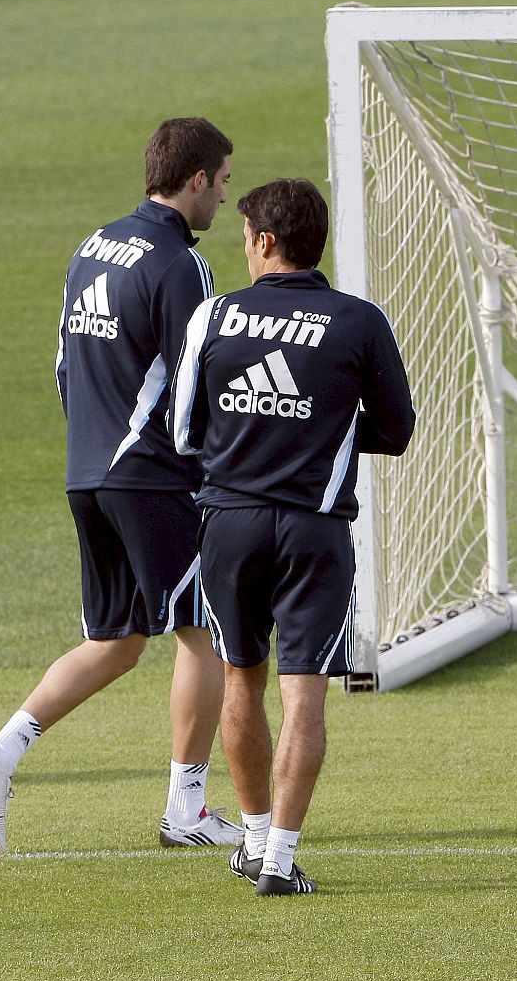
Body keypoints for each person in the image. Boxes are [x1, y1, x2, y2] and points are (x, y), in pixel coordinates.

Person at [0, 118, 240, 854]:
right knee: (203, 632)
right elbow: (192, 385)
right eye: (224, 181)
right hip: (149, 475)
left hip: (88, 467)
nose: (224, 198)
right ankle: (188, 809)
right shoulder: (182, 264)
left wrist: (95, 446)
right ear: (198, 178)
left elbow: (62, 364)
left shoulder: (93, 246)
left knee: (116, 640)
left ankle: (2, 750)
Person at [170, 177, 414, 896]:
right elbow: (397, 430)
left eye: (246, 238)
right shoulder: (359, 320)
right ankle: (278, 857)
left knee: (241, 676)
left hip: (231, 525)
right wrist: (322, 431)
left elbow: (184, 430)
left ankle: (250, 834)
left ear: (266, 241)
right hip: (316, 530)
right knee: (304, 693)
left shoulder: (214, 316)